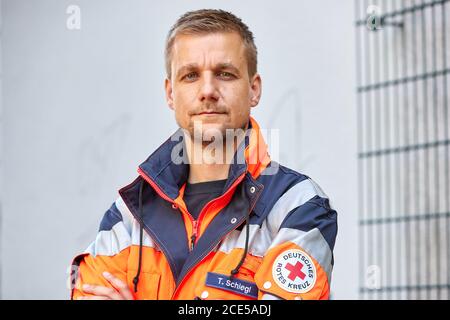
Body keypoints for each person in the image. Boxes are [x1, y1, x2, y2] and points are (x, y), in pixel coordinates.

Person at [69, 9, 338, 300]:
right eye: (191, 75)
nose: (208, 90)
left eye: (225, 74)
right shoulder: (130, 212)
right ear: (170, 93)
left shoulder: (297, 206)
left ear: (254, 90)